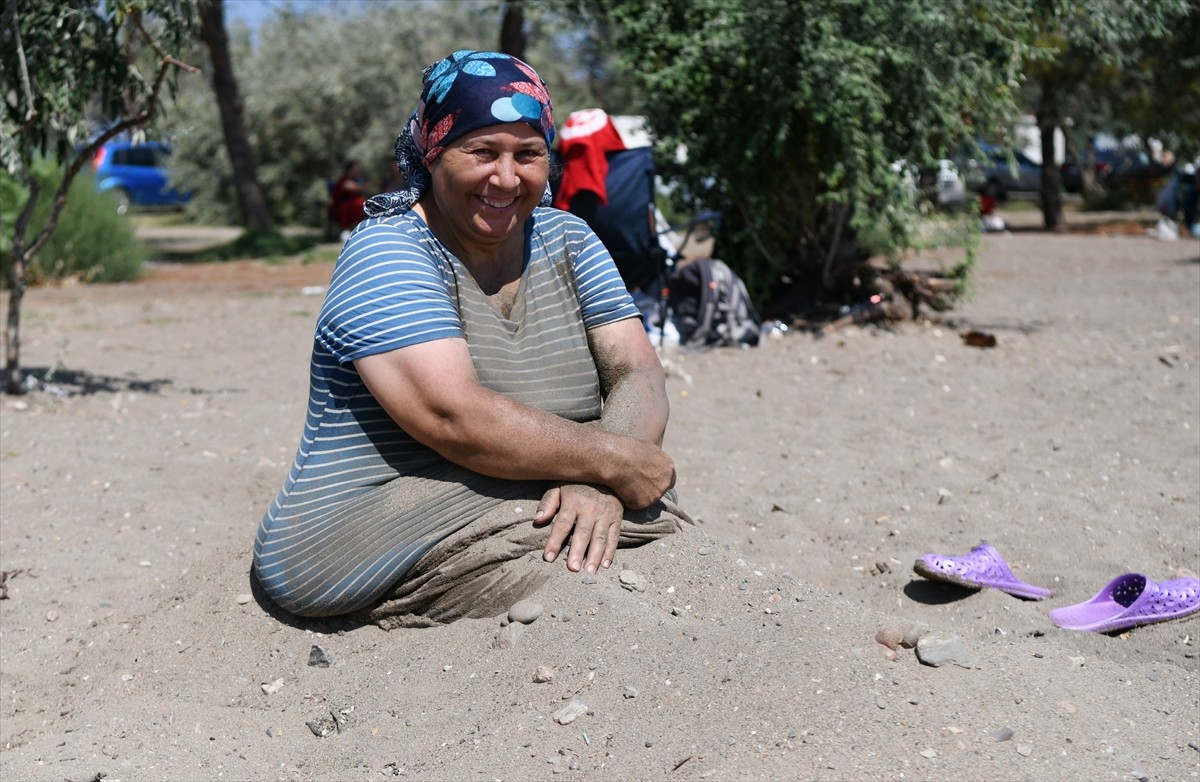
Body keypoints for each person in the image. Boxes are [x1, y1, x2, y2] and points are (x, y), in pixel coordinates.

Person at [253, 50, 688, 624]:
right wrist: (613, 464)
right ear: (433, 154)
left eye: (528, 155)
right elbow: (451, 414)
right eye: (481, 151)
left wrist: (601, 481)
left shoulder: (570, 240)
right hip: (369, 524)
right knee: (631, 532)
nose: (506, 178)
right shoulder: (388, 251)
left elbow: (637, 371)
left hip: (533, 485)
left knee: (638, 522)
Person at [328, 159, 367, 239]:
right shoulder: (343, 181)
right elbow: (350, 187)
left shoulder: (358, 180)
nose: (357, 172)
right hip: (342, 210)